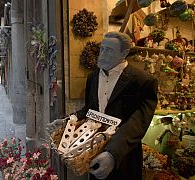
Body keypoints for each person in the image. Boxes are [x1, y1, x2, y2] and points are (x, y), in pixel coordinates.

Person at [47, 31, 158, 179]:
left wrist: (113, 153)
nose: (103, 54)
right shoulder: (93, 77)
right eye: (102, 49)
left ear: (124, 53)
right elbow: (90, 110)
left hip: (123, 154)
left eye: (109, 50)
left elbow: (138, 122)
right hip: (94, 148)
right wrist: (68, 121)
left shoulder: (143, 80)